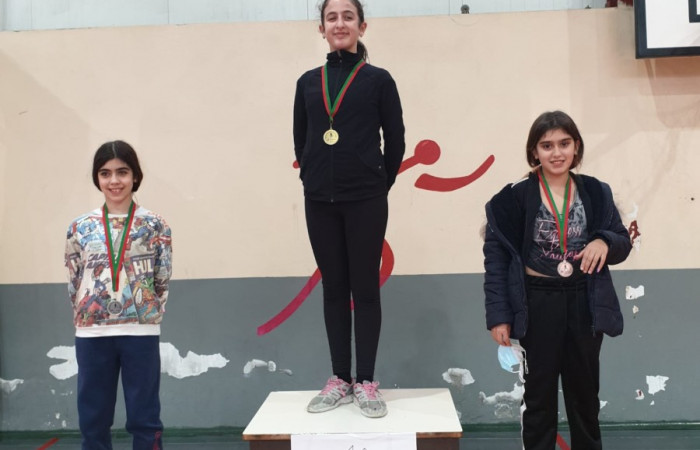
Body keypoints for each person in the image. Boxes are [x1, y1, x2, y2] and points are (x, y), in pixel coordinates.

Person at [483, 111, 631, 449]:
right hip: (537, 301)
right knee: (539, 397)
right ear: (534, 151)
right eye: (547, 145)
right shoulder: (513, 198)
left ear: (576, 146)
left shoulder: (596, 191)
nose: (556, 153)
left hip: (583, 298)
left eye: (564, 143)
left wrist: (604, 241)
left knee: (585, 396)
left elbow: (622, 242)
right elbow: (496, 262)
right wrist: (499, 316)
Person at [293, 0, 405, 419]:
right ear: (321, 28)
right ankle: (340, 378)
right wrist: (313, 177)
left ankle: (367, 381)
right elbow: (301, 139)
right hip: (319, 201)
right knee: (334, 288)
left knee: (365, 288)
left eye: (347, 16)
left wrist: (377, 183)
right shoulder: (308, 82)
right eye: (331, 17)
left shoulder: (379, 80)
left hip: (366, 200)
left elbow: (396, 140)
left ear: (362, 26)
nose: (339, 23)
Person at [65, 141, 172, 449]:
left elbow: (162, 276)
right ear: (97, 178)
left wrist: (147, 314)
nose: (114, 181)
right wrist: (87, 314)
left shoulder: (155, 225)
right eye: (105, 173)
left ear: (135, 176)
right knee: (93, 419)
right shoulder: (80, 227)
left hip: (140, 331)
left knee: (145, 418)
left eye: (122, 172)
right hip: (92, 334)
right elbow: (74, 278)